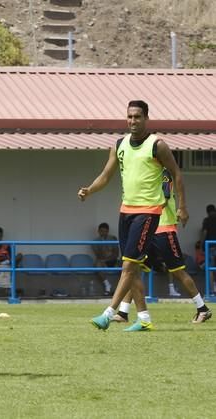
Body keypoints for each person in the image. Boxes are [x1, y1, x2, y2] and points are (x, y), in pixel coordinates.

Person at [78, 100, 188, 332]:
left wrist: (182, 206)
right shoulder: (119, 144)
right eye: (129, 117)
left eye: (137, 117)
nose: (132, 121)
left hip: (148, 213)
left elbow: (176, 173)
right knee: (133, 267)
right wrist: (89, 190)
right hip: (125, 212)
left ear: (146, 118)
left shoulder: (157, 145)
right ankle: (145, 318)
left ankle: (109, 313)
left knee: (129, 265)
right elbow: (106, 175)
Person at [112, 170, 211, 323]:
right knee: (132, 269)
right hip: (147, 229)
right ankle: (123, 313)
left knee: (178, 271)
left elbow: (163, 199)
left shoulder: (164, 174)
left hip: (163, 228)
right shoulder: (147, 174)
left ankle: (202, 309)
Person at [91, 222, 119, 296]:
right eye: (101, 231)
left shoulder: (113, 238)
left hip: (113, 260)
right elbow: (98, 255)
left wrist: (108, 258)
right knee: (97, 265)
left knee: (125, 264)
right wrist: (103, 244)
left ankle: (122, 288)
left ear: (108, 231)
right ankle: (107, 285)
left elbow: (116, 254)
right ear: (98, 231)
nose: (103, 233)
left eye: (105, 231)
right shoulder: (95, 241)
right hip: (102, 261)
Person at [200, 204, 216, 293]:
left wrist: (201, 244)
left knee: (210, 268)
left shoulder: (207, 220)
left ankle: (212, 290)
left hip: (210, 246)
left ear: (207, 212)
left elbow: (204, 233)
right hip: (213, 245)